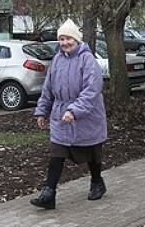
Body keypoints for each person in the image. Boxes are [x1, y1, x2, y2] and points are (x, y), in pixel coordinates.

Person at [30, 18, 108, 210]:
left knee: (92, 153)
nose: (65, 43)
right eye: (62, 39)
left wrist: (74, 110)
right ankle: (49, 193)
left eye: (68, 39)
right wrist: (42, 111)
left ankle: (97, 182)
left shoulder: (87, 59)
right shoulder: (57, 60)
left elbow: (92, 89)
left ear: (77, 40)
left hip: (87, 115)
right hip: (60, 116)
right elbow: (48, 88)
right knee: (57, 152)